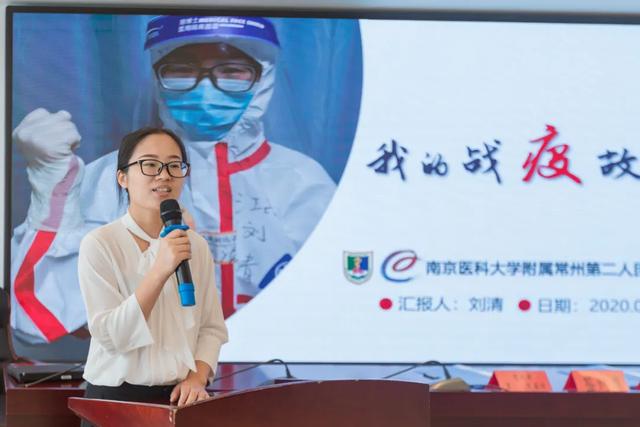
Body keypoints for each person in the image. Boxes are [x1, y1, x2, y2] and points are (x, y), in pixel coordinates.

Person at [10, 15, 336, 344]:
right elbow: (34, 324)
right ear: (157, 76)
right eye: (181, 69)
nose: (206, 89)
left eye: (231, 70)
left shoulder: (303, 184)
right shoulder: (112, 180)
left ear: (262, 77)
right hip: (151, 374)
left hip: (278, 374)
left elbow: (340, 314)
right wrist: (52, 191)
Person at [78, 127, 228, 427]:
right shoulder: (100, 243)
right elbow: (113, 337)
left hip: (179, 399)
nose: (164, 176)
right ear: (123, 178)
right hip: (113, 401)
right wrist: (160, 269)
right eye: (150, 164)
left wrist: (197, 378)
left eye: (174, 165)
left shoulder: (195, 245)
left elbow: (211, 328)